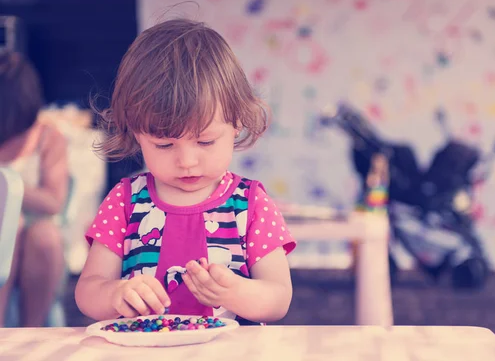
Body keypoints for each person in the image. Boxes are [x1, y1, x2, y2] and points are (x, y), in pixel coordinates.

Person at [75, 19, 296, 325]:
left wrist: (235, 293)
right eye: (164, 145)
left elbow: (278, 298)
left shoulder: (250, 203)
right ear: (137, 134)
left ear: (237, 124)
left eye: (205, 141)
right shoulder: (125, 201)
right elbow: (88, 291)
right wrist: (115, 294)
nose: (187, 161)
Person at [0, 50, 69, 327]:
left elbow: (54, 201)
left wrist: (10, 186)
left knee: (44, 235)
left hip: (38, 235)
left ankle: (33, 329)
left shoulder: (48, 138)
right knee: (9, 227)